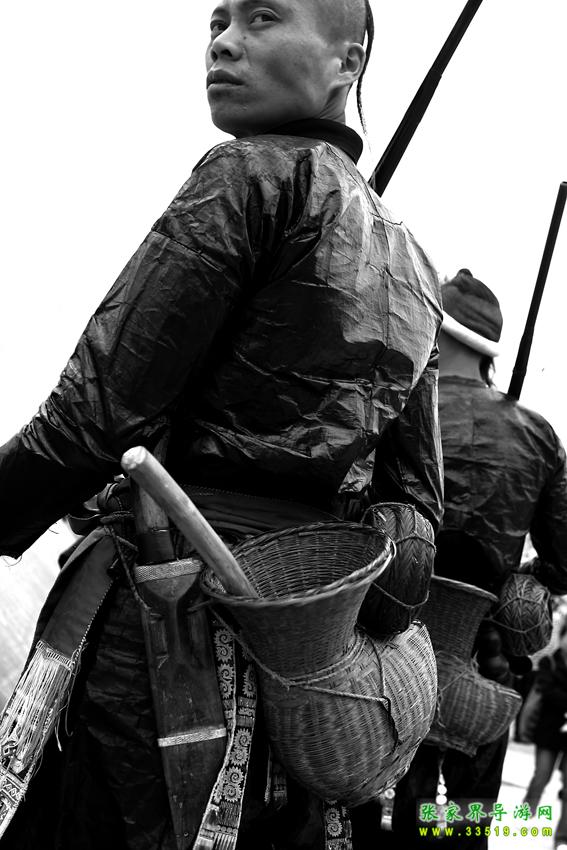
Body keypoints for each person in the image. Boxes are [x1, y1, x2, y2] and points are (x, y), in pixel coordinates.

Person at [0, 2, 443, 849]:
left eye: (262, 18)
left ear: (347, 62)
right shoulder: (414, 262)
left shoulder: (246, 176)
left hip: (164, 626)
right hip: (302, 665)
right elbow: (414, 523)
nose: (225, 43)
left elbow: (94, 417)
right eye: (217, 22)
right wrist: (316, 609)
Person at [362, 269, 567, 849]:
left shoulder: (393, 404)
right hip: (486, 659)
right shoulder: (538, 436)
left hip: (385, 648)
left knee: (387, 808)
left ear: (436, 329)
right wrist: (521, 579)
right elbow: (564, 562)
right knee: (465, 820)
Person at [524, 617, 567, 848]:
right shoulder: (549, 662)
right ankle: (525, 816)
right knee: (541, 775)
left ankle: (562, 837)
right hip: (549, 732)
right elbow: (547, 690)